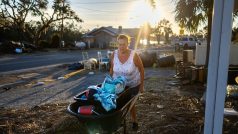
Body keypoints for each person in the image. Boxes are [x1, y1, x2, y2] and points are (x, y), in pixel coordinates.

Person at [109, 34, 144, 131]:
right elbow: (112, 69)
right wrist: (109, 82)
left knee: (130, 103)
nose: (121, 47)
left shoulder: (134, 55)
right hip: (118, 84)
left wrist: (141, 86)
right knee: (116, 102)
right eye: (119, 44)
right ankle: (117, 120)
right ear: (117, 44)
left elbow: (141, 69)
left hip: (132, 84)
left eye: (124, 44)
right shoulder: (114, 54)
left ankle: (134, 121)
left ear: (128, 44)